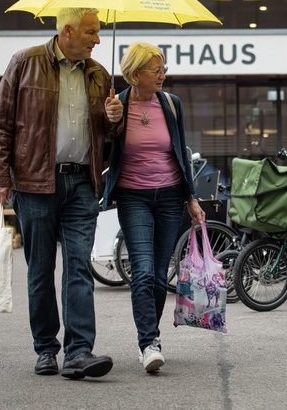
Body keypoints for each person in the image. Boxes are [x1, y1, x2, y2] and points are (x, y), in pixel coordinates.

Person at [0, 7, 124, 379]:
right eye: (91, 32)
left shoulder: (98, 74)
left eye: (98, 33)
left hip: (81, 182)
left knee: (79, 267)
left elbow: (107, 136)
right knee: (41, 270)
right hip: (34, 183)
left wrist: (114, 120)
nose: (97, 39)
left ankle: (79, 350)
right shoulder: (25, 63)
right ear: (67, 31)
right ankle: (46, 348)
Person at [102, 42, 206, 373]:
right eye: (156, 70)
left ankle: (151, 338)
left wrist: (191, 197)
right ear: (134, 74)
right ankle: (148, 343)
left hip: (170, 198)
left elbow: (180, 153)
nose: (163, 75)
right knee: (143, 271)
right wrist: (109, 122)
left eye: (164, 69)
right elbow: (103, 151)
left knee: (160, 277)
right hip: (133, 197)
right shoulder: (116, 105)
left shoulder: (171, 105)